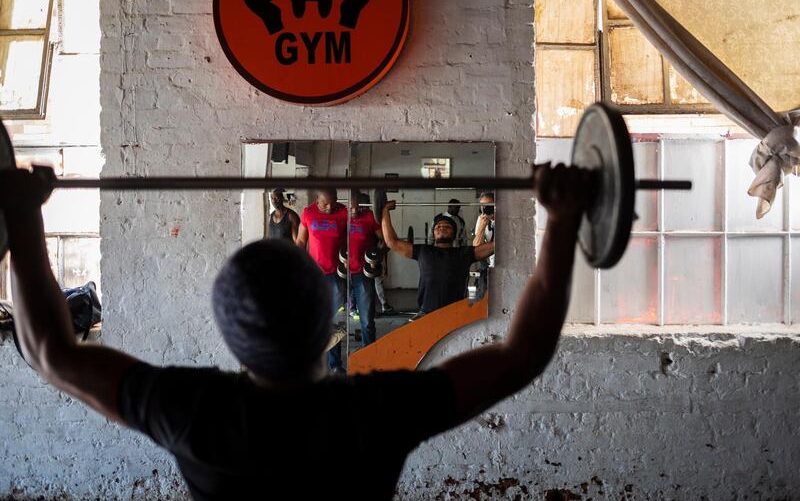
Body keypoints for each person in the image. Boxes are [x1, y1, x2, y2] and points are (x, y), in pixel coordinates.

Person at [2, 163, 590, 501]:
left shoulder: (192, 411)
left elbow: (50, 351)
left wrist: (23, 217)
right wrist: (562, 220)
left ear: (229, 333)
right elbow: (523, 355)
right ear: (324, 323)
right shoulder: (377, 411)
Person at [383, 202, 494, 316]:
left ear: (454, 234)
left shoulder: (464, 253)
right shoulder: (423, 251)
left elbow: (495, 245)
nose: (442, 228)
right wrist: (385, 211)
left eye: (447, 226)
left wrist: (493, 219)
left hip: (455, 313)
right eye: (438, 227)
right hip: (426, 313)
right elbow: (391, 242)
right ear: (434, 233)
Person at [295, 187, 348, 372]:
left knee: (330, 321)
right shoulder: (308, 213)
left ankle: (334, 365)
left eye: (333, 203)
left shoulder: (343, 212)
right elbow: (301, 242)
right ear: (317, 200)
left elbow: (353, 237)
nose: (329, 207)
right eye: (325, 204)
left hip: (336, 275)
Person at [348, 191, 381, 346]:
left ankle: (369, 352)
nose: (354, 211)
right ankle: (335, 363)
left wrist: (378, 258)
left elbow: (384, 240)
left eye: (357, 208)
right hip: (342, 272)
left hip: (363, 273)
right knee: (333, 318)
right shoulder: (340, 217)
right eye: (350, 208)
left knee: (367, 319)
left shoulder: (368, 216)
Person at [473, 192, 495, 300]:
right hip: (486, 266)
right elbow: (476, 248)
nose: (486, 208)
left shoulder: (506, 219)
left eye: (490, 205)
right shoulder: (481, 219)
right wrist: (482, 226)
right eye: (483, 206)